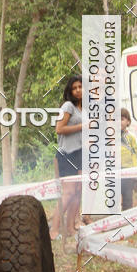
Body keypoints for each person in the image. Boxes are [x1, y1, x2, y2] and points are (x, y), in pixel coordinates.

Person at [54, 76, 83, 238]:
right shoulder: (68, 106)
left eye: (81, 87)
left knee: (78, 192)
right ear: (70, 91)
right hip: (67, 154)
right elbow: (59, 129)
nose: (78, 90)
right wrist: (82, 126)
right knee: (68, 193)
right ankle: (54, 229)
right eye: (75, 87)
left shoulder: (83, 109)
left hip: (80, 153)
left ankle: (70, 228)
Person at [120, 108, 137, 210]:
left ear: (128, 122)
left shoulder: (131, 137)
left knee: (127, 195)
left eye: (122, 119)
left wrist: (134, 170)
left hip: (128, 170)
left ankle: (127, 215)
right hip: (114, 171)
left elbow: (134, 154)